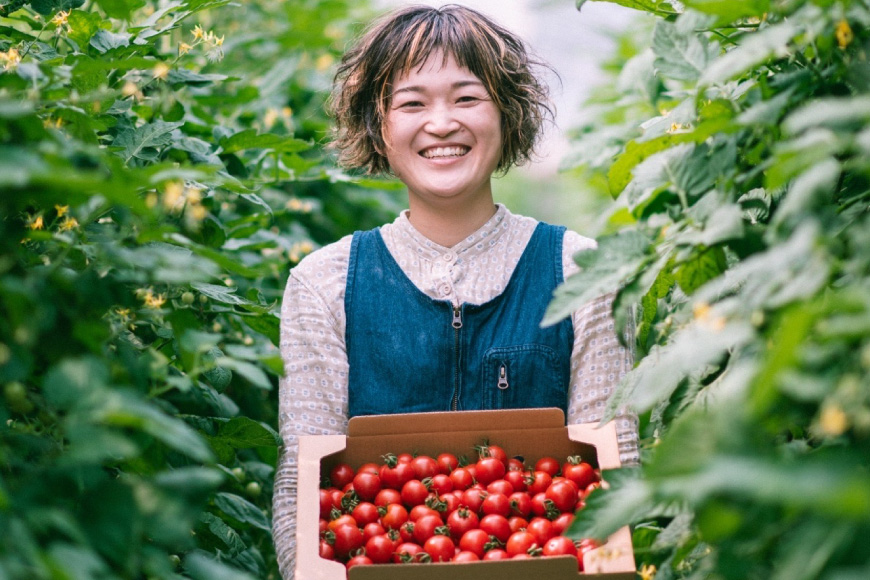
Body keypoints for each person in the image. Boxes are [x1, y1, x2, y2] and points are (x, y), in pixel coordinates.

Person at [271, 4, 638, 577]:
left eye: (467, 98)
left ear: (507, 114)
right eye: (412, 103)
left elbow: (615, 470)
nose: (440, 124)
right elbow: (303, 481)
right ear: (379, 127)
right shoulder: (323, 284)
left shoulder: (584, 273)